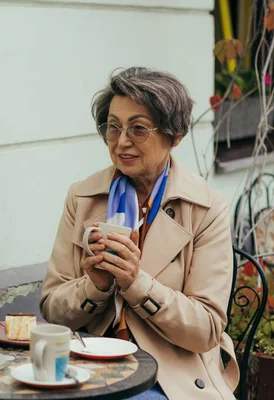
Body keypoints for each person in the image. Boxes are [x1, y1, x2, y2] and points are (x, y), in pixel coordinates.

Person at [40, 67, 239, 400]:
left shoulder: (206, 208)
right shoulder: (83, 197)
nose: (121, 142)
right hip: (89, 363)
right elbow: (52, 307)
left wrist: (136, 283)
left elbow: (206, 329)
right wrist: (97, 285)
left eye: (138, 129)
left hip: (170, 373)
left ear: (174, 136)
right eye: (113, 127)